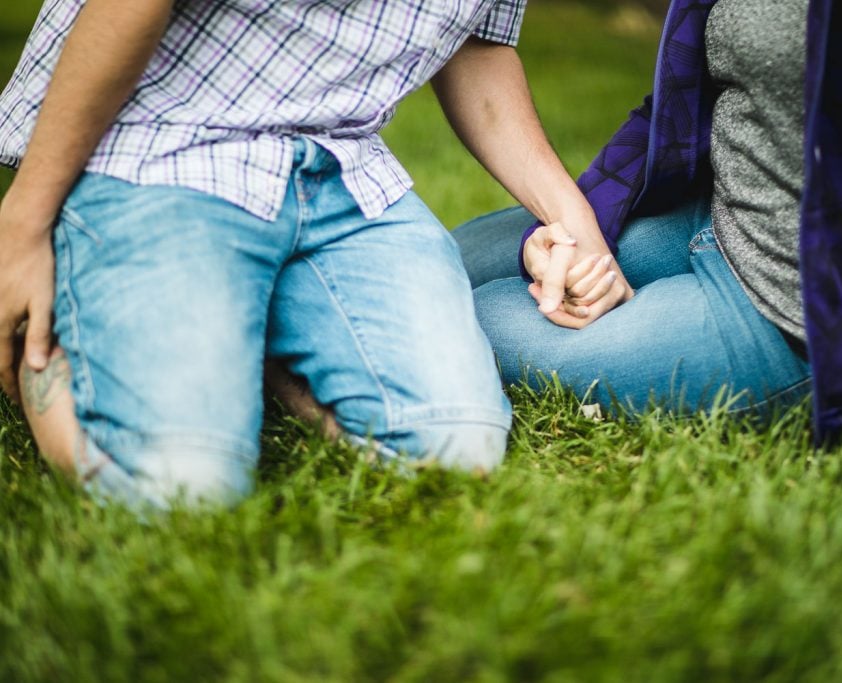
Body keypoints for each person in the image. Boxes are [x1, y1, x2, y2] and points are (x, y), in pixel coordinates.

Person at [0, 0, 607, 510]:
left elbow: (474, 45)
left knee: (456, 449)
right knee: (184, 492)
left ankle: (253, 333)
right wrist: (23, 222)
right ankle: (50, 349)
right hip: (166, 148)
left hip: (343, 169)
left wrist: (579, 229)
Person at [455, 0, 842, 528]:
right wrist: (572, 231)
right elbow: (675, 102)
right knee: (446, 262)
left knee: (474, 316)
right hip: (712, 216)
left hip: (807, 302)